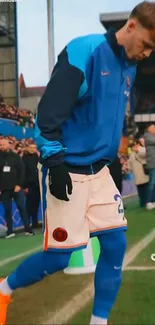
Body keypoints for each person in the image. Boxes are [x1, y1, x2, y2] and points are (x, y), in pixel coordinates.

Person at [1, 2, 155, 324]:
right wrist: (54, 162)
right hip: (66, 168)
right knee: (59, 258)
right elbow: (48, 114)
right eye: (146, 45)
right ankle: (3, 289)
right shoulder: (86, 51)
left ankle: (98, 322)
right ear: (130, 27)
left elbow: (105, 120)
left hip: (99, 171)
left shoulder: (129, 67)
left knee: (115, 244)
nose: (147, 53)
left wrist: (111, 159)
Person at [0, 139, 33, 238]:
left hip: (17, 188)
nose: (2, 146)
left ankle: (28, 229)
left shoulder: (15, 156)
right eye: (0, 145)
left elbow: (22, 171)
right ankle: (10, 232)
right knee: (7, 210)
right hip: (4, 189)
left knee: (22, 208)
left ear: (8, 145)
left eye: (3, 144)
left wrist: (19, 185)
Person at [23, 144, 40, 229]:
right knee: (29, 205)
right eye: (32, 147)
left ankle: (35, 222)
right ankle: (27, 223)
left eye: (35, 147)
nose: (33, 149)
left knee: (36, 204)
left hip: (38, 184)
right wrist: (25, 186)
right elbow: (23, 173)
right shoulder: (24, 158)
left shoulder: (38, 157)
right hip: (30, 184)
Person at [128, 140, 149, 208]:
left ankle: (148, 202)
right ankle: (143, 203)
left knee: (147, 189)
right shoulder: (131, 155)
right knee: (141, 191)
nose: (133, 147)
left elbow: (145, 153)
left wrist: (138, 148)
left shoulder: (141, 151)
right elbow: (129, 165)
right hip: (137, 176)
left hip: (144, 174)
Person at [144, 123, 155, 209]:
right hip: (152, 164)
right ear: (149, 129)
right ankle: (148, 201)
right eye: (153, 128)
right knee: (151, 183)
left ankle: (153, 201)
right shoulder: (147, 136)